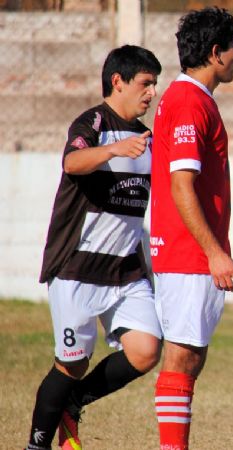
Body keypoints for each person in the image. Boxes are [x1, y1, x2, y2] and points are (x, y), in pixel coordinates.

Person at [25, 45, 163, 450]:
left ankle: (75, 403)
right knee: (71, 364)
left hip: (125, 270)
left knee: (145, 350)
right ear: (117, 81)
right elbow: (72, 162)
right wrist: (113, 150)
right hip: (77, 268)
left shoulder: (146, 136)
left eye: (155, 84)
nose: (151, 92)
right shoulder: (94, 122)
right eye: (145, 83)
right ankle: (37, 445)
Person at [149, 7, 233, 449]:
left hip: (189, 252)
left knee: (188, 354)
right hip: (189, 253)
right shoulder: (189, 102)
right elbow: (181, 183)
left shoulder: (193, 99)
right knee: (182, 355)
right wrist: (214, 251)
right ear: (215, 52)